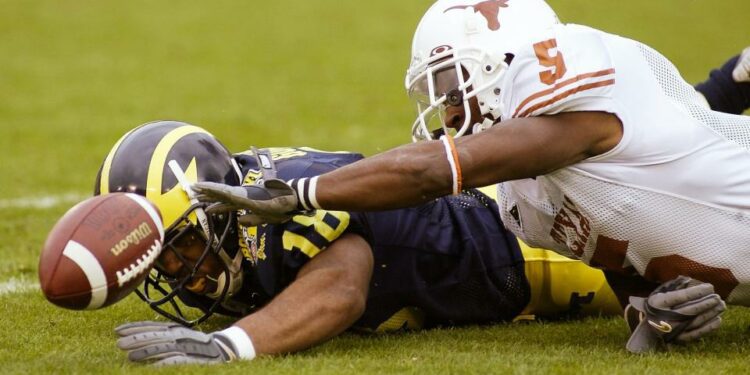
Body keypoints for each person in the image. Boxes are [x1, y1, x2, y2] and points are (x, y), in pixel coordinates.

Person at [190, 0, 746, 353]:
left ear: (504, 59)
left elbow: (431, 173)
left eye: (452, 84)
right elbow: (619, 258)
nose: (448, 110)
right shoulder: (524, 203)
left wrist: (301, 194)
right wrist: (649, 313)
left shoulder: (568, 83)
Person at [100, 121, 621, 366]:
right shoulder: (233, 226)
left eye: (184, 248)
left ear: (219, 216)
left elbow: (340, 290)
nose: (177, 272)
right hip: (497, 223)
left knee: (670, 281)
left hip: (534, 247)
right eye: (161, 256)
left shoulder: (279, 204)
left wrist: (230, 343)